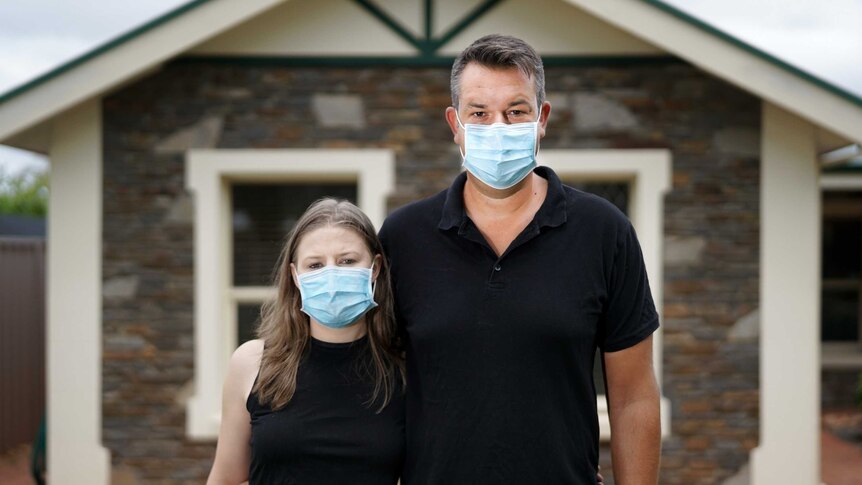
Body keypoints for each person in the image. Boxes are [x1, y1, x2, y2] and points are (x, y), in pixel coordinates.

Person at [379, 34, 661, 484]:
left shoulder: (604, 232)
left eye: (516, 111)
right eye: (479, 113)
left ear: (542, 118)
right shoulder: (403, 237)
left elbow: (633, 397)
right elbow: (370, 381)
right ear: (456, 124)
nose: (498, 127)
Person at [207, 198, 406, 485]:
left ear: (374, 268)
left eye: (347, 261)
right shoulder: (251, 362)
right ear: (295, 276)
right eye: (315, 265)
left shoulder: (404, 369)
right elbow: (225, 480)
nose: (331, 274)